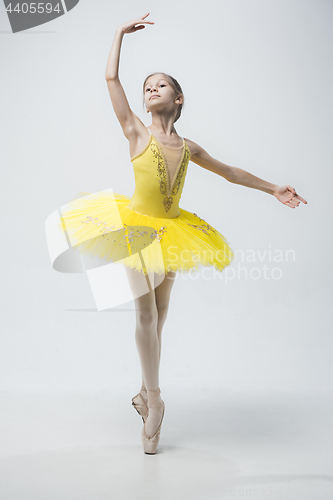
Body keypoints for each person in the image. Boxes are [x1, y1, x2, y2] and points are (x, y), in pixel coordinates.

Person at [58, 13, 307, 455]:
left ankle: (141, 390)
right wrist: (117, 34)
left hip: (174, 231)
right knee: (147, 315)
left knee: (163, 310)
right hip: (136, 229)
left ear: (179, 97)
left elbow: (229, 171)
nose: (150, 90)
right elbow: (111, 77)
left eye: (160, 85)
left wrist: (273, 187)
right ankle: (155, 402)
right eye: (147, 87)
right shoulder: (136, 132)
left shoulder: (188, 147)